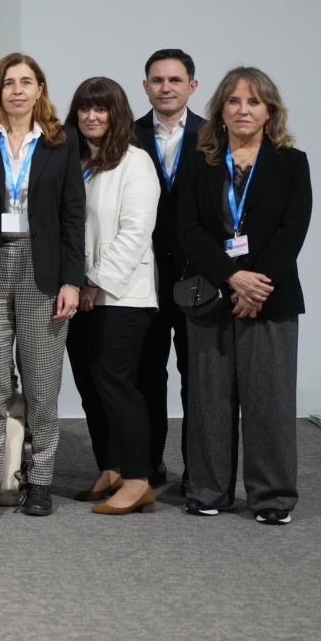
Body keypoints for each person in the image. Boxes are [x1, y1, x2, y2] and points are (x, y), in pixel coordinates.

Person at [177, 67, 310, 525]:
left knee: (269, 402)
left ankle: (272, 497)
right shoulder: (201, 161)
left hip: (271, 299)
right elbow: (188, 230)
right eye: (233, 101)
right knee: (209, 399)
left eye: (253, 102)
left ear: (269, 110)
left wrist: (256, 284)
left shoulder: (292, 162)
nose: (243, 110)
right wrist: (233, 278)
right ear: (221, 110)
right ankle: (208, 489)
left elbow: (293, 231)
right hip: (211, 297)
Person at [0, 53, 84, 519]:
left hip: (43, 271)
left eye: (25, 82)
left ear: (39, 89)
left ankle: (42, 480)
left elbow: (73, 216)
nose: (16, 90)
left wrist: (73, 279)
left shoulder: (60, 142)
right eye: (8, 82)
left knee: (42, 384)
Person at [64, 77, 160, 515]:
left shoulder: (135, 162)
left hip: (121, 297)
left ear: (117, 113)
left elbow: (135, 233)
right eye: (85, 108)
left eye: (101, 108)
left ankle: (139, 478)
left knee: (117, 384)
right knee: (89, 385)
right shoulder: (75, 161)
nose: (92, 116)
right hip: (78, 295)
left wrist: (96, 282)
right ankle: (111, 467)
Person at [133, 48, 203, 487]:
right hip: (143, 274)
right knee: (145, 375)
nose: (166, 87)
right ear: (146, 86)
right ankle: (149, 463)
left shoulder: (214, 135)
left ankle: (200, 468)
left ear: (192, 86)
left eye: (175, 80)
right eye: (157, 80)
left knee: (198, 378)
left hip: (198, 276)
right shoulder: (129, 132)